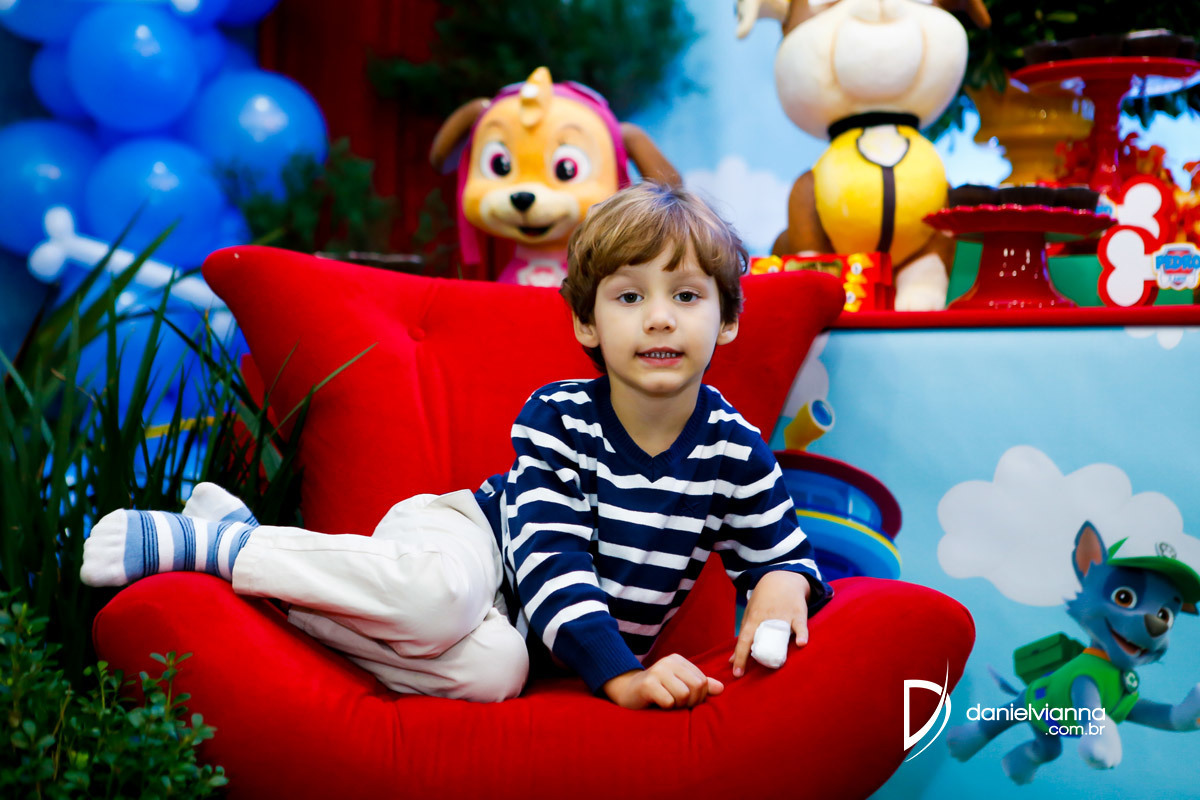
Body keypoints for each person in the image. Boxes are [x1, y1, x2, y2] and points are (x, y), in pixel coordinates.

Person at [81, 182, 833, 709]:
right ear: (587, 324)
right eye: (630, 297)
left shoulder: (734, 451)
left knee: (494, 674)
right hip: (467, 542)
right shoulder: (560, 417)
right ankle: (216, 546)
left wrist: (781, 585)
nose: (660, 318)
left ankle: (271, 575)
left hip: (516, 639)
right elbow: (552, 564)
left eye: (687, 296)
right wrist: (621, 677)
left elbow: (782, 553)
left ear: (728, 320)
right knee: (440, 601)